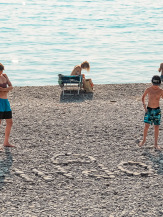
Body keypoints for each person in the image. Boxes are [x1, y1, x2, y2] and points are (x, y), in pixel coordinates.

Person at [139, 75, 163, 150]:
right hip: (149, 110)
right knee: (146, 125)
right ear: (152, 83)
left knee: (156, 126)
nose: (155, 86)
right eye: (154, 84)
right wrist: (144, 106)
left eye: (157, 84)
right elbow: (143, 97)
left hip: (157, 110)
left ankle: (155, 144)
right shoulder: (148, 89)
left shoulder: (160, 91)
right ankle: (144, 140)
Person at [0, 63, 14, 151]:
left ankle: (6, 142)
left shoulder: (4, 76)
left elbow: (11, 86)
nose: (1, 72)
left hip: (6, 101)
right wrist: (7, 89)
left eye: (1, 70)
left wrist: (5, 89)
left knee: (10, 122)